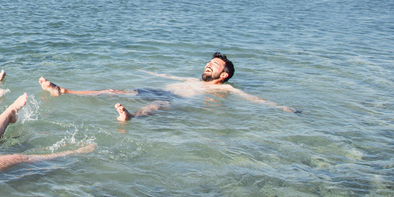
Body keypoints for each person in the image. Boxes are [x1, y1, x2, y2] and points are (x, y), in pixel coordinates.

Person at [39, 52, 299, 121]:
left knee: (159, 105)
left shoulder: (224, 90)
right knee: (114, 90)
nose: (209, 66)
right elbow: (162, 74)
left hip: (173, 100)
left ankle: (132, 117)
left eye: (215, 65)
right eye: (208, 62)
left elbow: (251, 98)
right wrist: (146, 71)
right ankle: (64, 91)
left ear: (224, 75)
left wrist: (280, 107)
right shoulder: (191, 80)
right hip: (163, 90)